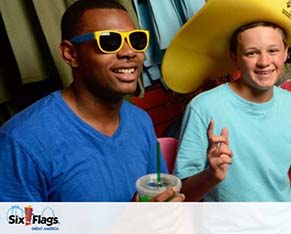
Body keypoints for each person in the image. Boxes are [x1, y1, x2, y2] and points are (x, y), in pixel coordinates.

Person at [0, 0, 184, 202]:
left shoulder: (140, 121)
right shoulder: (22, 140)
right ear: (71, 53)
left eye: (136, 40)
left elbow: (156, 196)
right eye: (109, 42)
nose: (129, 52)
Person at [173, 21, 291, 202]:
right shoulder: (203, 107)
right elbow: (182, 198)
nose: (264, 62)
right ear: (234, 57)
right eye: (252, 53)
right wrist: (211, 175)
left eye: (273, 51)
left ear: (285, 52)